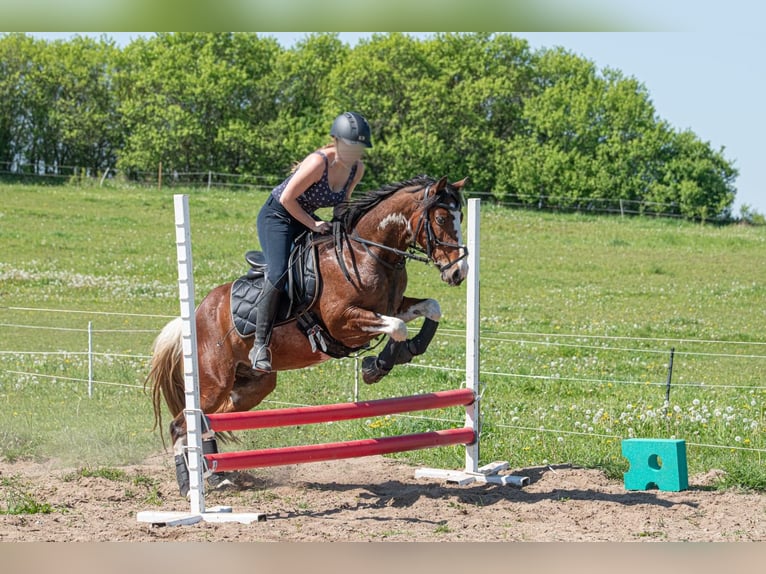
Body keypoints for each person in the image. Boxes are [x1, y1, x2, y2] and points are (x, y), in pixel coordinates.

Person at [250, 111, 373, 372]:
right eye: (350, 147)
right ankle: (259, 344)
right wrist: (314, 224)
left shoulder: (357, 170)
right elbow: (287, 200)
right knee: (280, 270)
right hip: (278, 216)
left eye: (359, 149)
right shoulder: (319, 162)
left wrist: (344, 225)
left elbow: (342, 202)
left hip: (306, 217)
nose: (354, 153)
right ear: (336, 141)